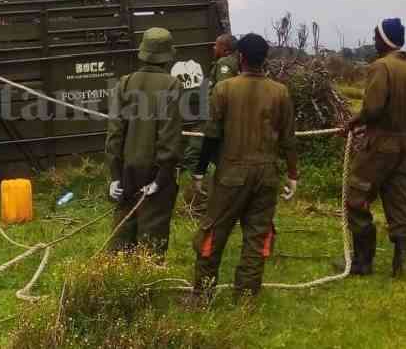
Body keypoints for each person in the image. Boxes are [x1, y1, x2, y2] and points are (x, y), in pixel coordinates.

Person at [190, 33, 298, 302]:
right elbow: (288, 139)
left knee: (212, 231)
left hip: (231, 174)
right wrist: (293, 175)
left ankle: (203, 295)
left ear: (241, 57)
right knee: (257, 235)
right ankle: (246, 296)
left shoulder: (224, 89)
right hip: (267, 175)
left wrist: (200, 171)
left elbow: (211, 135)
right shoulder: (280, 92)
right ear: (264, 60)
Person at [342, 18, 406, 277]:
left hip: (380, 144)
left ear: (385, 40)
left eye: (376, 36)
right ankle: (401, 265)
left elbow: (374, 108)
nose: (373, 41)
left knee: (355, 198)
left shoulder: (380, 67)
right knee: (401, 201)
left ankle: (363, 262)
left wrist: (353, 122)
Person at [105, 27, 183, 260]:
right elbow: (169, 137)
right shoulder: (171, 85)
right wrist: (162, 178)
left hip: (127, 169)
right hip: (155, 171)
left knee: (122, 231)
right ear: (168, 56)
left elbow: (114, 133)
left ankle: (117, 280)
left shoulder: (125, 83)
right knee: (153, 235)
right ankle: (146, 286)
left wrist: (115, 176)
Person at [188, 34, 240, 216]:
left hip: (215, 121)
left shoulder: (225, 64)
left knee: (194, 153)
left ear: (225, 49)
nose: (213, 48)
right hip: (221, 122)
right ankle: (225, 203)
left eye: (216, 45)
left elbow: (224, 93)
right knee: (221, 160)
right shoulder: (231, 62)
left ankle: (203, 203)